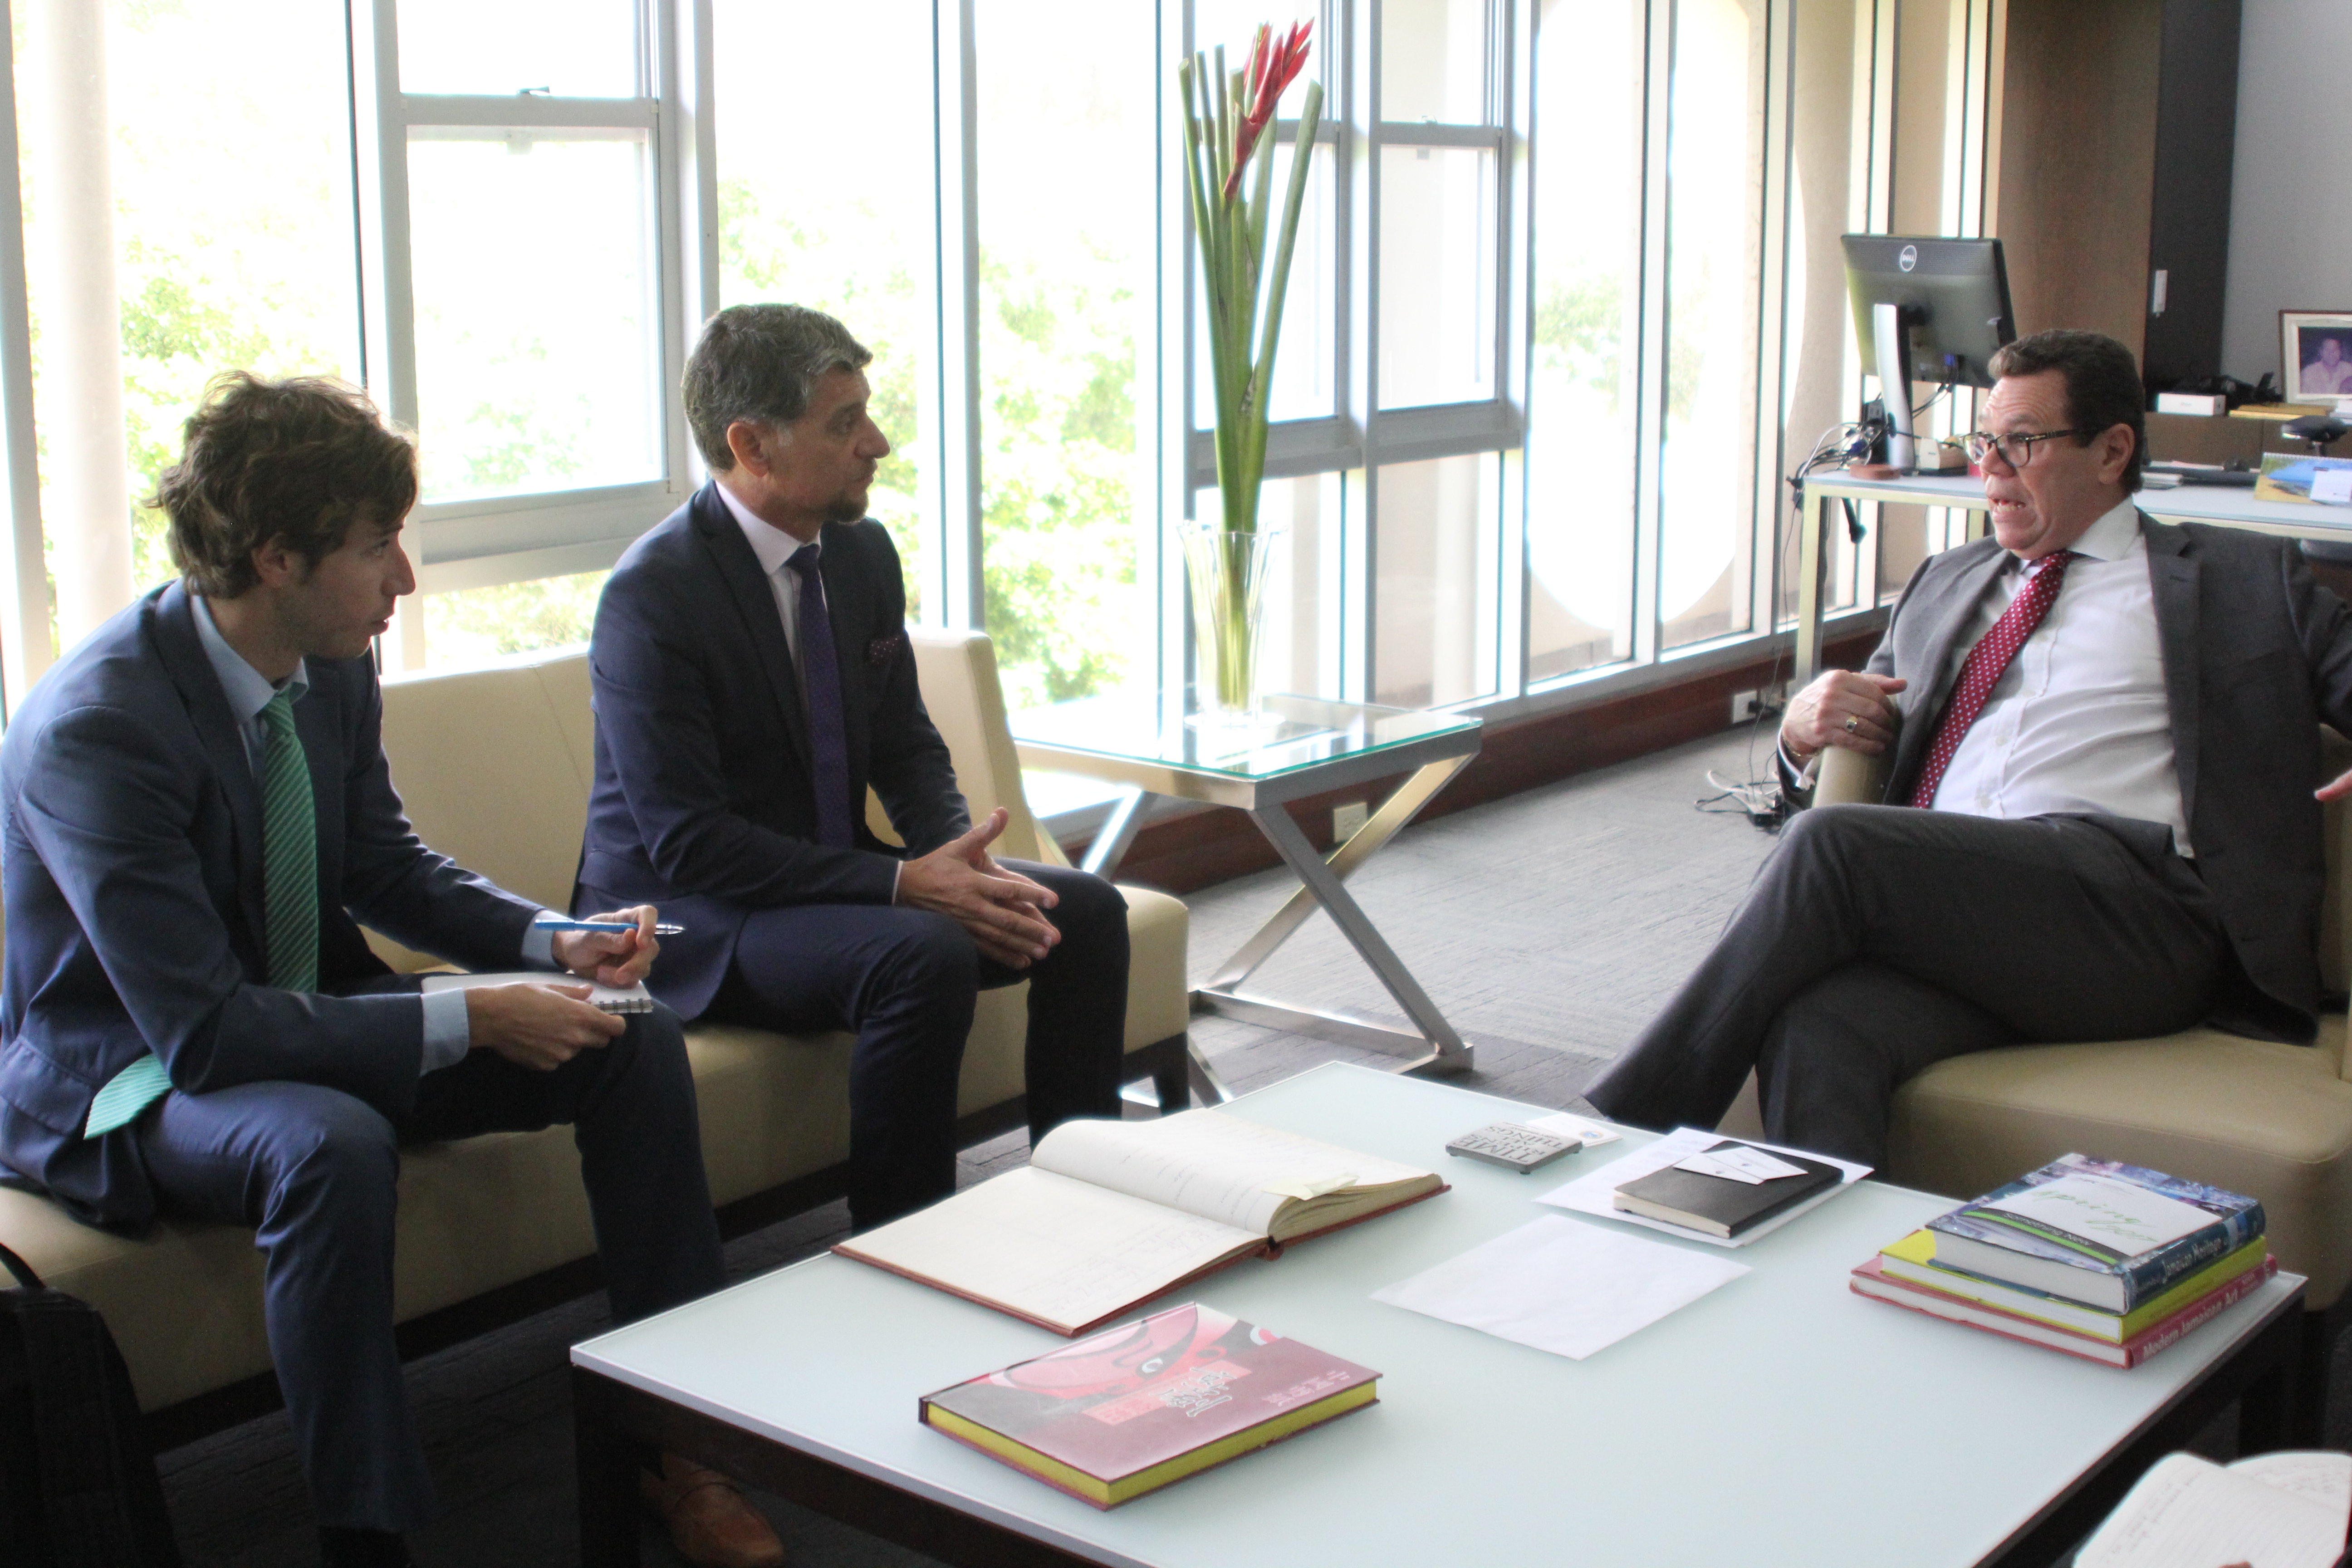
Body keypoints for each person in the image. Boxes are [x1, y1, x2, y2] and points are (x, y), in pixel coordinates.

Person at [0, 375, 782, 1568]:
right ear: (274, 556)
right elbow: (204, 1035)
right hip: (133, 1077)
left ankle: (679, 1454)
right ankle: (370, 1540)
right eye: (377, 550)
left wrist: (546, 946)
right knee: (326, 1144)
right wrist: (470, 1017)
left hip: (305, 1014)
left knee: (629, 1031)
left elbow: (382, 863)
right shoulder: (96, 729)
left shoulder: (327, 659)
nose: (404, 581)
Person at [1584, 328, 2352, 1167]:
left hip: (2136, 916)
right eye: (1983, 441)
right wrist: (1801, 735)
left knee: (1835, 848)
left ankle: (1615, 1134)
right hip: (1966, 910)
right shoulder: (1945, 582)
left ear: (2110, 451)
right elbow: (1848, 754)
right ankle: (1833, 1268)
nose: (1988, 468)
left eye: (2019, 443)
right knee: (1822, 1025)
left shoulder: (2245, 579)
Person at [580, 303, 1128, 1231]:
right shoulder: (653, 597)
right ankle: (906, 1246)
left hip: (821, 885)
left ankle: (1092, 1211)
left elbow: (905, 743)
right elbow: (691, 844)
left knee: (1083, 911)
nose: (877, 443)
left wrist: (956, 858)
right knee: (921, 951)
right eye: (845, 423)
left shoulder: (861, 553)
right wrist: (906, 887)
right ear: (752, 446)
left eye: (866, 413)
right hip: (690, 920)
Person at [2303, 333, 2352, 397]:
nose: (2331, 354)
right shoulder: (2308, 372)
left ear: (2341, 351)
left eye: (2335, 349)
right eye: (2327, 350)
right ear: (2321, 352)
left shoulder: (2349, 370)